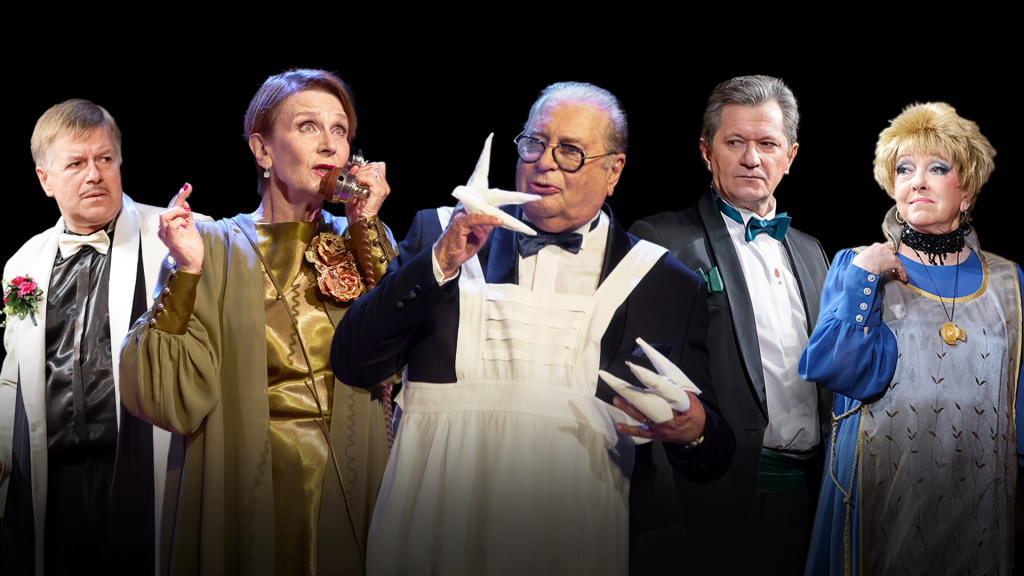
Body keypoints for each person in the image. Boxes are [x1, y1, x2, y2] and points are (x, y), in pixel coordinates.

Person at [331, 81, 735, 575]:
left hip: (572, 540)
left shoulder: (662, 281)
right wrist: (439, 263)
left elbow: (714, 451)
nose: (544, 162)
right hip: (430, 529)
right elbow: (354, 362)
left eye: (569, 151)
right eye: (535, 143)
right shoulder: (440, 234)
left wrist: (694, 431)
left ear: (614, 170)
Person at [119, 69, 395, 576]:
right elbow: (160, 392)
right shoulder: (212, 247)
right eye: (308, 126)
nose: (329, 143)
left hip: (355, 469)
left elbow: (399, 351)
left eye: (340, 130)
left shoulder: (361, 237)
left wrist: (366, 225)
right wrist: (186, 271)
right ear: (262, 150)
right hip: (246, 477)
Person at [628, 75, 832, 574]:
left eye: (768, 144)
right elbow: (639, 383)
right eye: (735, 142)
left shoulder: (814, 253)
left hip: (808, 500)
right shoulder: (660, 239)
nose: (751, 158)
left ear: (791, 156)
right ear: (707, 151)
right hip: (703, 500)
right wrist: (659, 521)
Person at [800, 102, 1015, 575]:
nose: (917, 181)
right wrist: (865, 277)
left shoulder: (1008, 282)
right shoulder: (858, 264)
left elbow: (1017, 398)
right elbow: (842, 373)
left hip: (979, 489)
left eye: (937, 168)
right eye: (904, 169)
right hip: (883, 487)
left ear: (967, 189)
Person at [0, 99, 204, 574]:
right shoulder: (23, 263)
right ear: (45, 179)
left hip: (139, 466)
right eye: (76, 163)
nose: (94, 174)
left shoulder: (175, 237)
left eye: (105, 158)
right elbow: (13, 378)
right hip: (53, 477)